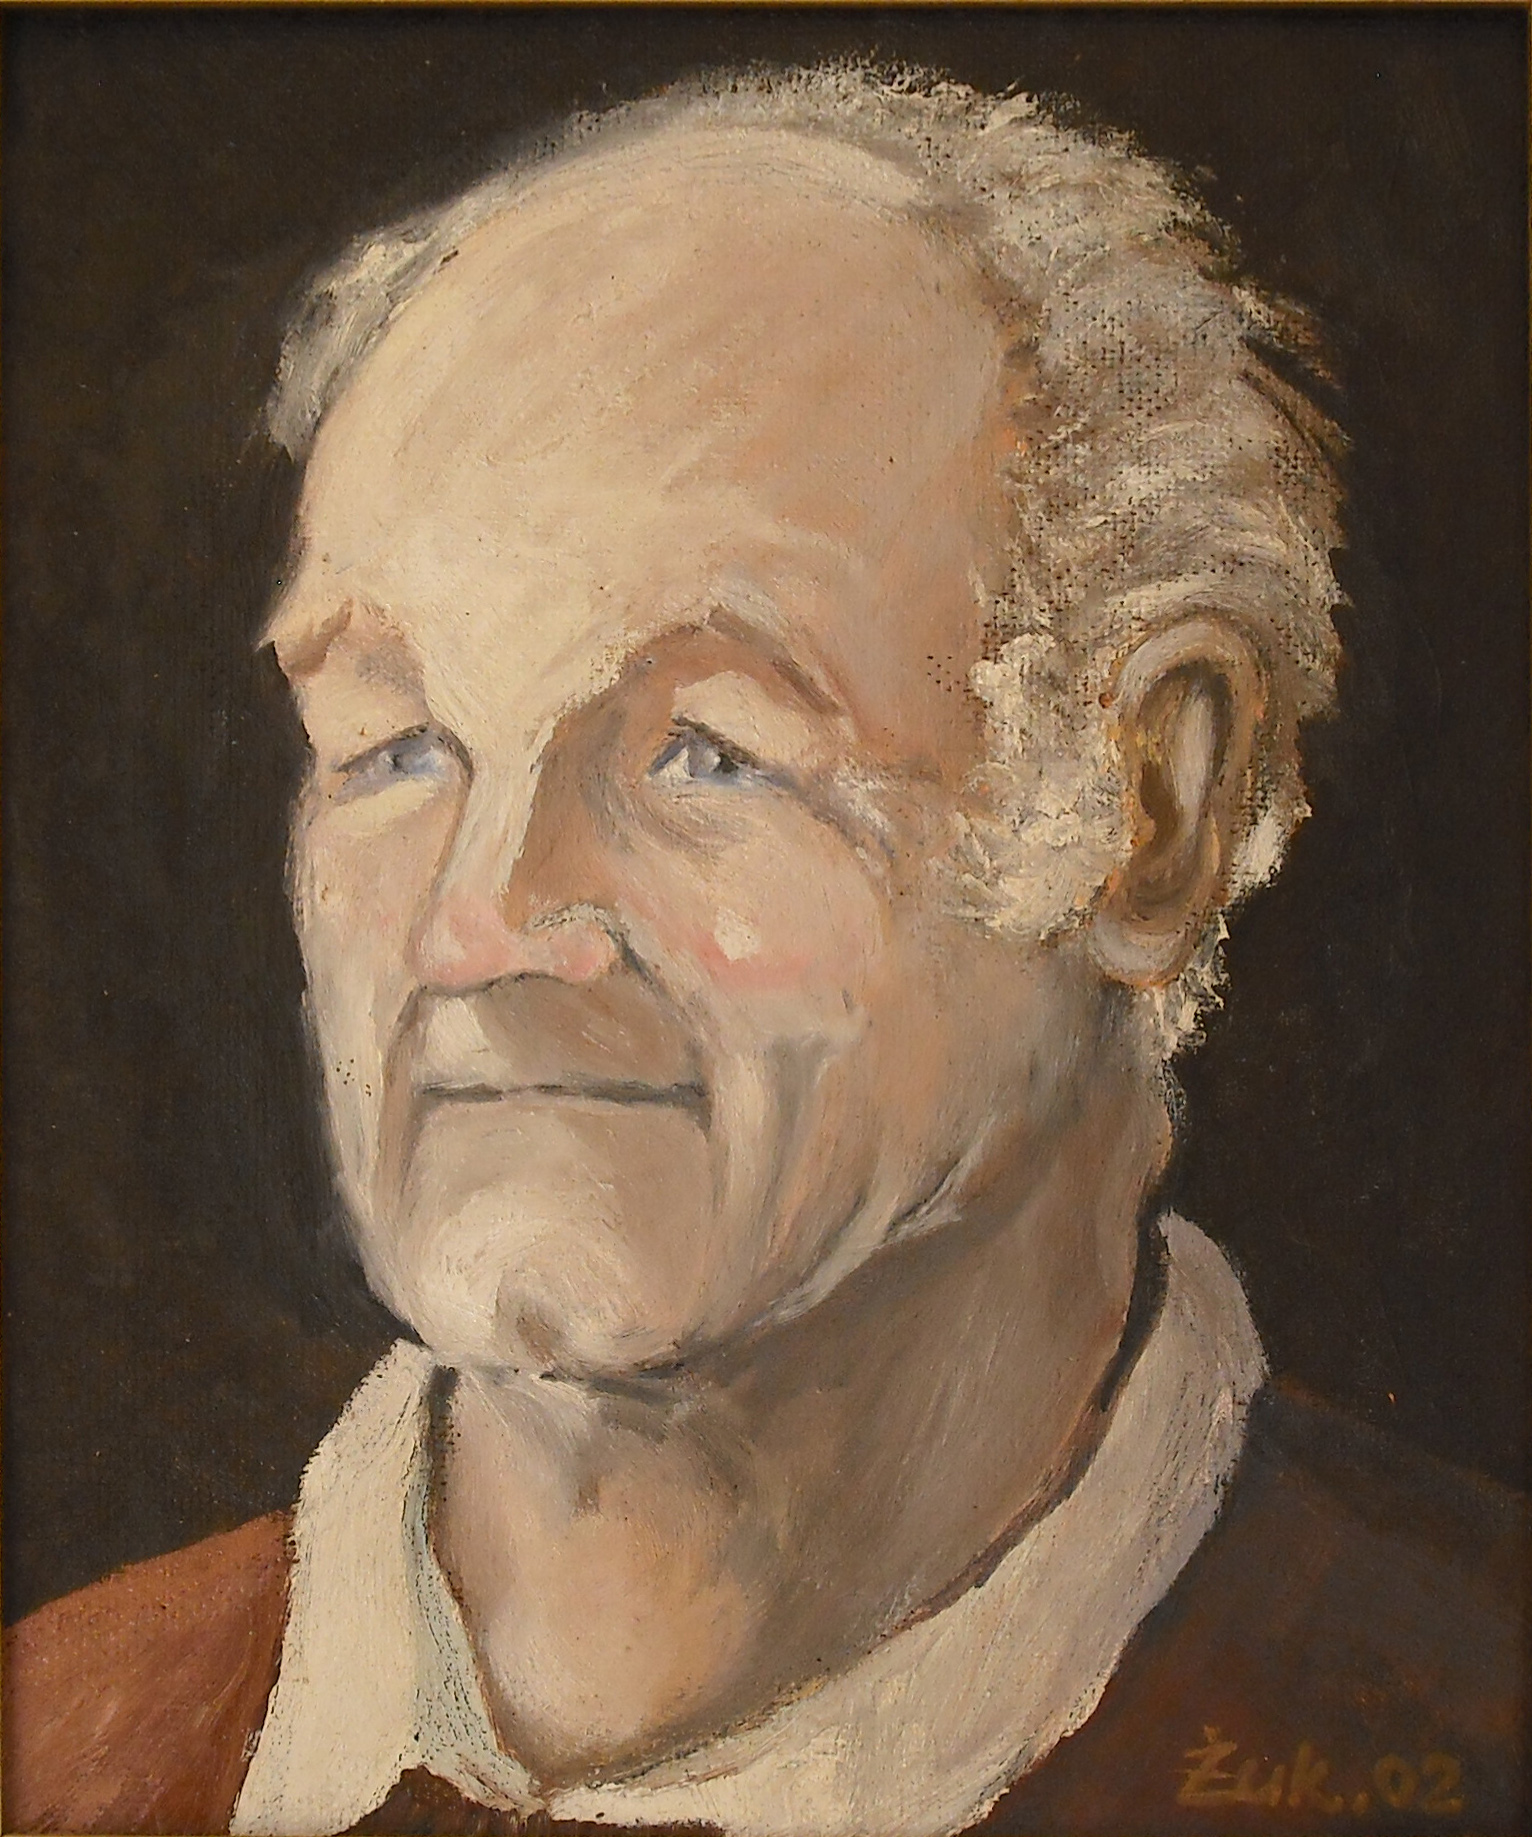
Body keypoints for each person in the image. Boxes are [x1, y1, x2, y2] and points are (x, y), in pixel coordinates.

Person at [5, 63, 1523, 1837]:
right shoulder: (77, 1745)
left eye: (708, 751)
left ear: (1154, 813)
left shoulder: (1454, 1725)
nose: (479, 925)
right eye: (396, 746)